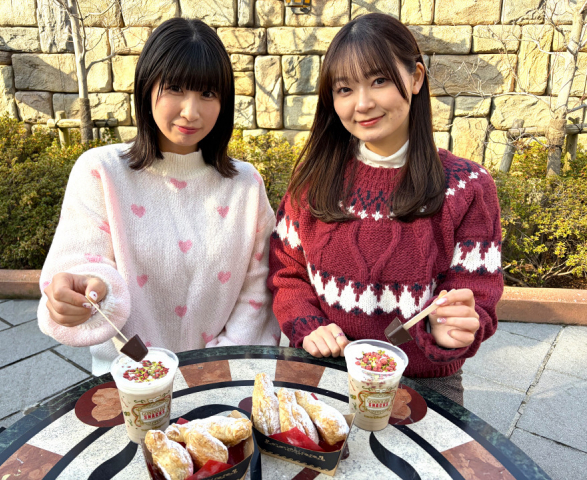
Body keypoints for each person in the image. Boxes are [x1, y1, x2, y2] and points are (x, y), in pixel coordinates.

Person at [267, 13, 503, 405]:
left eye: (379, 80)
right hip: (325, 370)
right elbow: (286, 271)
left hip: (424, 383)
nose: (362, 103)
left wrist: (454, 328)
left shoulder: (467, 187)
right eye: (345, 89)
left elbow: (476, 296)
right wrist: (307, 323)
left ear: (416, 77)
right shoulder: (313, 178)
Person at [38, 18, 281, 375]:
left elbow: (257, 290)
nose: (191, 112)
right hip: (128, 380)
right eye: (175, 88)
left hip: (221, 379)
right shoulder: (101, 171)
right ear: (146, 86)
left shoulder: (246, 184)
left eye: (208, 94)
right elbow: (83, 265)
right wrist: (81, 292)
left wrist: (214, 370)